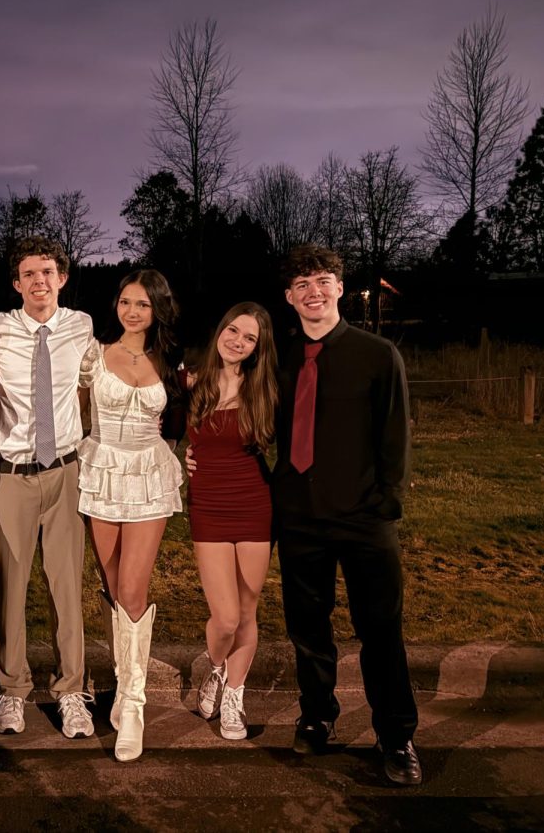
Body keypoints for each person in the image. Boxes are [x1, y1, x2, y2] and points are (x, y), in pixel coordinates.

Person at [274, 244, 421, 786]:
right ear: (288, 298)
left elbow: (396, 435)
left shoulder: (378, 354)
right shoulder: (279, 358)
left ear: (340, 287)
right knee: (308, 629)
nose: (314, 291)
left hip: (364, 518)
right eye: (301, 284)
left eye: (323, 280)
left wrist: (385, 502)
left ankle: (397, 735)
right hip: (299, 518)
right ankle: (317, 718)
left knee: (380, 630)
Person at [0, 236, 96, 739]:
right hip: (11, 475)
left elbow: (98, 382)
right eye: (29, 274)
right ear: (16, 283)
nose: (39, 281)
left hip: (65, 471)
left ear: (62, 278)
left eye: (47, 272)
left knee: (66, 588)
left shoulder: (81, 326)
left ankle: (71, 691)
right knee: (11, 588)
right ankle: (12, 691)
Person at [79, 268, 184, 762]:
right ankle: (122, 683)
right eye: (125, 301)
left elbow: (182, 420)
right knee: (112, 583)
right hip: (101, 470)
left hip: (148, 475)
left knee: (132, 589)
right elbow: (77, 412)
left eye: (142, 303)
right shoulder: (94, 356)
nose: (132, 311)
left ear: (157, 308)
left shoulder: (172, 360)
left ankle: (134, 702)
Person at [185, 302, 278, 742]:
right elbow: (157, 428)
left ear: (258, 348)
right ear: (220, 329)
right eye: (233, 330)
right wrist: (175, 454)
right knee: (223, 618)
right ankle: (216, 670)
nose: (238, 341)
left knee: (246, 611)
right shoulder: (190, 379)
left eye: (249, 338)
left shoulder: (264, 389)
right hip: (208, 504)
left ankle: (235, 697)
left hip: (254, 503)